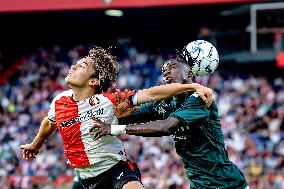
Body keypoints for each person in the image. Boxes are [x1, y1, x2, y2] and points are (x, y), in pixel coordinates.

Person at [19, 47, 213, 189]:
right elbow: (48, 122)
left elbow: (153, 94)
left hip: (115, 170)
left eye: (82, 66)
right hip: (83, 178)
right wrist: (36, 145)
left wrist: (193, 86)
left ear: (93, 81)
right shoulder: (59, 101)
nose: (73, 66)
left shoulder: (108, 101)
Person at [91, 58, 249, 189]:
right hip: (199, 183)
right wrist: (122, 116)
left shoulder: (198, 98)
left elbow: (167, 126)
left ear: (188, 72)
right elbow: (130, 118)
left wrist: (116, 128)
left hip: (226, 182)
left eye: (172, 68)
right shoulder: (164, 103)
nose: (166, 73)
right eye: (163, 72)